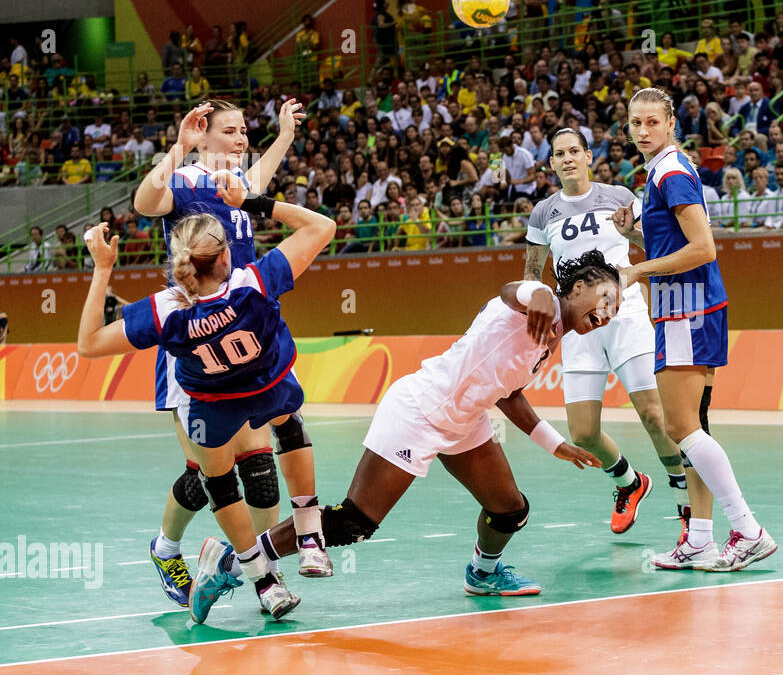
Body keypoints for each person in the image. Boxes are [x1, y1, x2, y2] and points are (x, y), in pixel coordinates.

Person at [245, 255, 617, 598]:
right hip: (419, 411)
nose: (607, 311)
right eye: (604, 298)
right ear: (579, 287)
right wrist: (538, 292)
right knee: (355, 522)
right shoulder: (538, 307)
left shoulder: (551, 340)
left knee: (509, 510)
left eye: (613, 309)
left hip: (464, 422)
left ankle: (483, 573)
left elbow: (509, 394)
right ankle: (236, 561)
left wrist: (554, 444)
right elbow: (512, 292)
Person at [75, 185, 337, 624]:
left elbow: (88, 344)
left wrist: (102, 269)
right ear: (225, 257)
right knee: (287, 425)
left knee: (223, 484)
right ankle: (308, 533)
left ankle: (262, 577)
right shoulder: (253, 282)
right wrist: (254, 202)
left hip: (213, 403)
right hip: (264, 385)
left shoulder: (166, 308)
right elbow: (322, 226)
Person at [132, 98, 329, 611]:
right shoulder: (186, 181)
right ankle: (166, 548)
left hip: (242, 346)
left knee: (260, 467)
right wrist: (180, 145)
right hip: (195, 346)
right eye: (231, 131)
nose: (243, 139)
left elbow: (257, 182)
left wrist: (284, 134)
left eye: (246, 130)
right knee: (206, 472)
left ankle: (253, 569)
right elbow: (143, 204)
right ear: (206, 135)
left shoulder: (235, 186)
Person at [610, 88, 777, 571]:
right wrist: (634, 237)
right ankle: (700, 539)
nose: (643, 131)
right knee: (694, 429)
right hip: (690, 306)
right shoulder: (661, 170)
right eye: (635, 123)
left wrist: (638, 270)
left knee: (680, 427)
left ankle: (747, 530)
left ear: (669, 124)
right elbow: (679, 241)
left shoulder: (671, 170)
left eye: (652, 123)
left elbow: (704, 247)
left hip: (686, 307)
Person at [524, 128, 688, 533]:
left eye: (574, 151)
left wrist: (631, 231)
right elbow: (531, 273)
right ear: (551, 164)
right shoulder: (543, 212)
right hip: (577, 327)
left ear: (588, 156)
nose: (567, 158)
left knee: (654, 414)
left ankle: (687, 509)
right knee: (582, 432)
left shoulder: (619, 196)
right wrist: (536, 314)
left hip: (624, 313)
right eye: (559, 153)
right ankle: (629, 483)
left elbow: (659, 246)